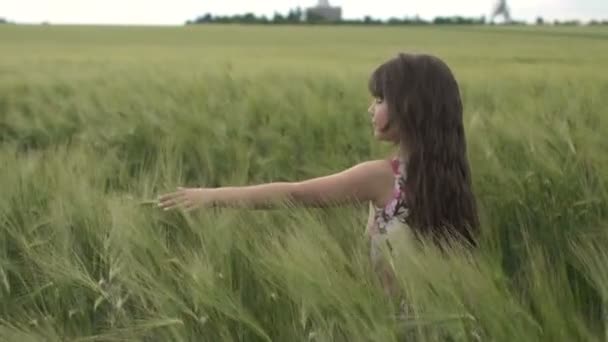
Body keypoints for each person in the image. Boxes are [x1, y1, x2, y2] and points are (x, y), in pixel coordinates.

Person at [157, 52, 480, 299]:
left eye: (380, 100)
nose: (370, 109)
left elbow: (296, 194)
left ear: (410, 108)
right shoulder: (451, 181)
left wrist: (211, 197)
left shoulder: (380, 178)